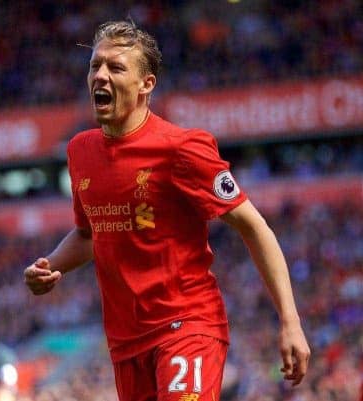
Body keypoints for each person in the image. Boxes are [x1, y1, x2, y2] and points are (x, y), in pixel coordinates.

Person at [24, 20, 310, 401]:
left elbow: (254, 227)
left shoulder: (182, 149)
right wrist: (53, 265)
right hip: (126, 342)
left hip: (187, 325)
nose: (101, 75)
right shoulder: (80, 151)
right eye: (95, 66)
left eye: (116, 67)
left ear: (147, 85)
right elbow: (89, 234)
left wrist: (289, 321)